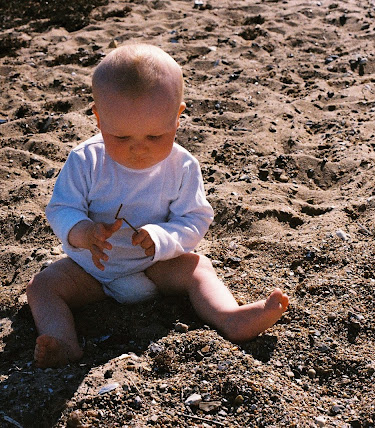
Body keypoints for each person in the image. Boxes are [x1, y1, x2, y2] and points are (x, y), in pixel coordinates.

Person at [26, 44, 289, 368]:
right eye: (121, 138)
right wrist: (83, 232)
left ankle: (230, 316)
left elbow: (195, 218)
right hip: (93, 269)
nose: (139, 150)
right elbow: (61, 208)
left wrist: (162, 238)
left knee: (198, 268)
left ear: (177, 117)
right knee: (42, 287)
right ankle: (63, 341)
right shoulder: (86, 160)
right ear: (98, 118)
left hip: (156, 267)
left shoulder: (183, 166)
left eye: (154, 137)